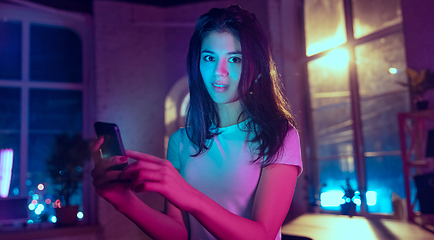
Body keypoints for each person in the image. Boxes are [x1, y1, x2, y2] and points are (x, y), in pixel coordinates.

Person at [91, 5, 302, 240]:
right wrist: (124, 201)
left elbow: (262, 235)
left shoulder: (281, 136)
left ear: (257, 69)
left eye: (235, 59)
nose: (219, 71)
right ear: (197, 64)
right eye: (209, 57)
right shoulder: (181, 141)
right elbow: (178, 234)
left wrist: (188, 196)